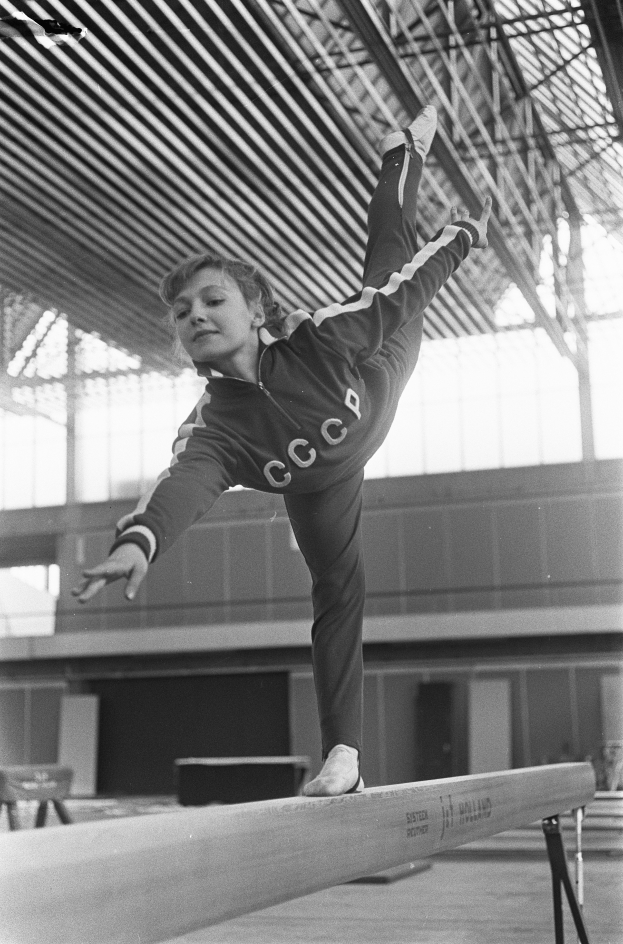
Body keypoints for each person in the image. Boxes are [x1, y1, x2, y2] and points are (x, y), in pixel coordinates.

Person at [72, 106, 491, 796]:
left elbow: (406, 288)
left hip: (376, 367)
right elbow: (181, 485)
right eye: (182, 313)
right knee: (335, 592)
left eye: (213, 300)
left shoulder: (320, 338)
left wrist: (462, 235)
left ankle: (399, 155)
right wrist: (138, 542)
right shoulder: (212, 428)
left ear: (256, 311)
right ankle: (344, 758)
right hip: (320, 486)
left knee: (388, 256)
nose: (196, 315)